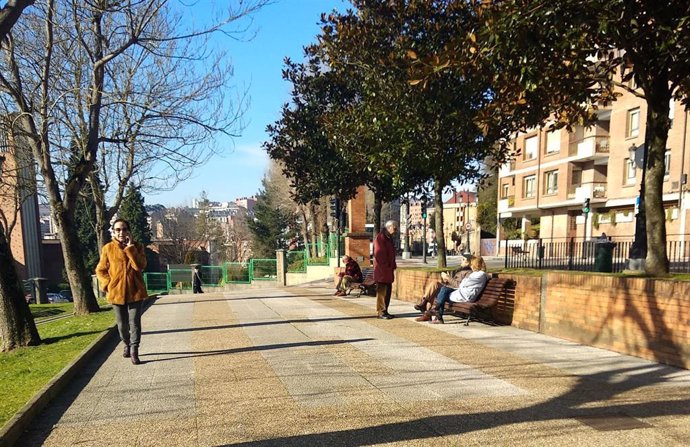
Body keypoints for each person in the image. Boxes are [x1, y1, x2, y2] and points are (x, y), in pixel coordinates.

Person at [96, 218, 148, 365]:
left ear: (129, 231)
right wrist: (107, 284)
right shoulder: (108, 248)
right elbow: (100, 270)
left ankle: (134, 350)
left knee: (135, 323)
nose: (121, 232)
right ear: (113, 231)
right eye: (118, 229)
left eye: (124, 229)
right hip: (116, 293)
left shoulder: (138, 246)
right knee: (122, 325)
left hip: (135, 292)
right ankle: (126, 343)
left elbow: (140, 265)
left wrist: (131, 248)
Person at [421, 256, 488, 324]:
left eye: (471, 264)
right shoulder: (475, 274)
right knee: (441, 291)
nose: (471, 265)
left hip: (465, 295)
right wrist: (448, 280)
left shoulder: (479, 274)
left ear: (475, 265)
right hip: (461, 293)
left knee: (441, 292)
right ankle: (433, 311)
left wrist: (448, 278)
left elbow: (462, 284)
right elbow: (464, 283)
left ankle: (434, 312)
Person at [374, 220, 398, 319]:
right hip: (382, 270)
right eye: (395, 227)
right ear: (389, 227)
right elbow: (379, 253)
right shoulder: (381, 238)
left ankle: (385, 310)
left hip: (388, 270)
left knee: (387, 291)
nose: (396, 229)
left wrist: (392, 265)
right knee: (382, 291)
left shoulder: (388, 238)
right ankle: (381, 312)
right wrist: (387, 265)